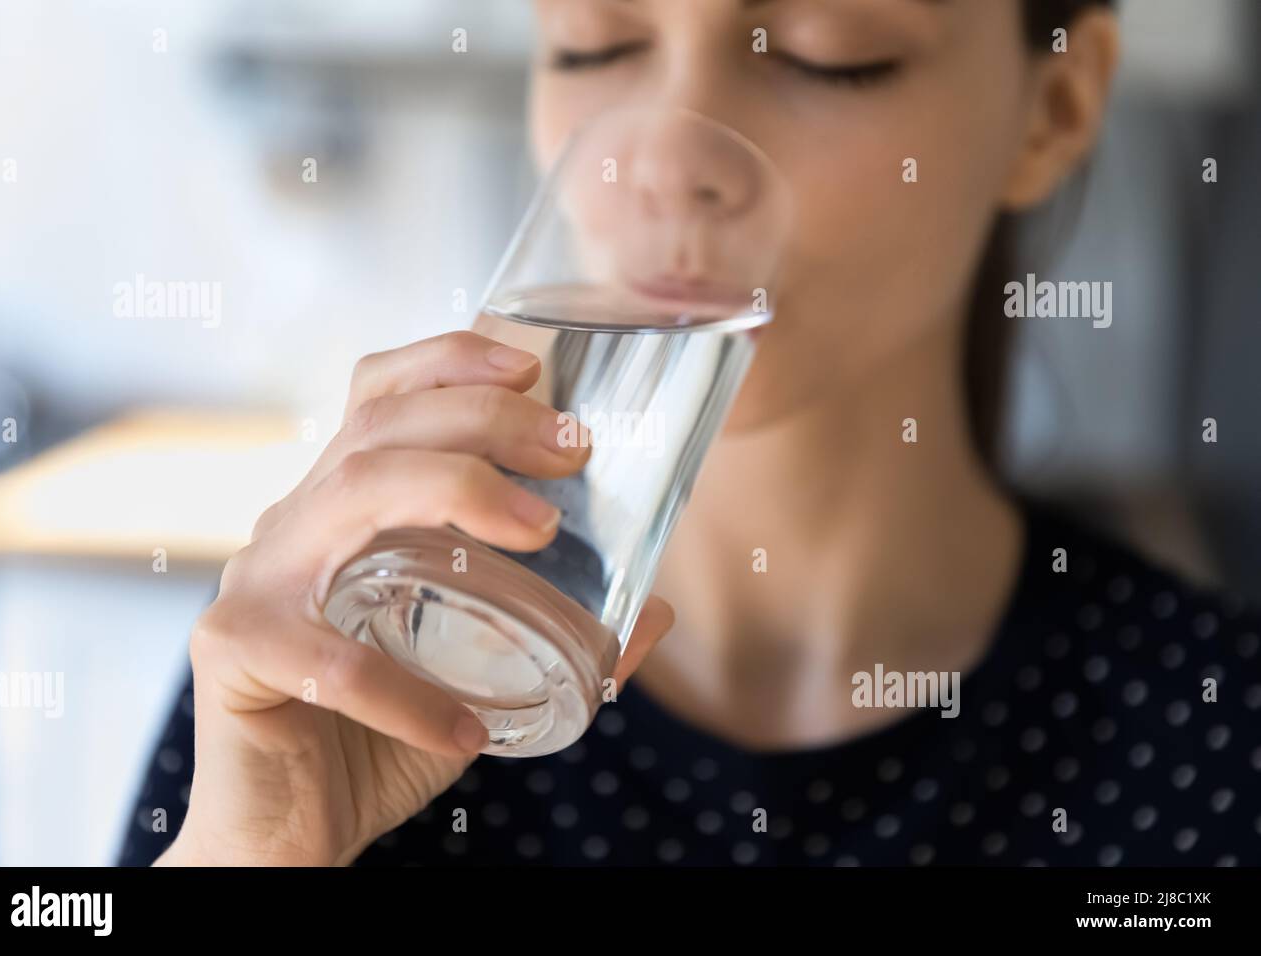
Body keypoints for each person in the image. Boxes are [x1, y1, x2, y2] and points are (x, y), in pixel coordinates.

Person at [119, 0, 1260, 867]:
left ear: (1053, 108)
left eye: (826, 50)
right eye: (596, 43)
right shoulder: (332, 675)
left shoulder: (1212, 744)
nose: (666, 155)